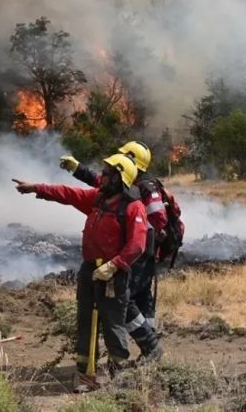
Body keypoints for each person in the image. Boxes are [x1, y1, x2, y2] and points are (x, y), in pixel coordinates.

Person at [13, 154, 147, 390]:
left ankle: (118, 380)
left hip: (112, 276)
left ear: (118, 178)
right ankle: (86, 376)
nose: (101, 177)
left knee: (113, 325)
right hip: (89, 272)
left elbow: (137, 245)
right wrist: (37, 188)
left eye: (106, 174)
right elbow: (68, 194)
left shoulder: (133, 207)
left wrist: (114, 265)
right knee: (85, 322)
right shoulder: (98, 199)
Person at [58, 142, 166, 357]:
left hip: (139, 252)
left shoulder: (145, 188)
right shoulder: (128, 183)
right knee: (132, 300)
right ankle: (148, 345)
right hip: (134, 250)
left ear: (132, 160)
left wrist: (135, 241)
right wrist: (77, 169)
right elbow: (101, 183)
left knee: (124, 301)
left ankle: (151, 347)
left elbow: (158, 221)